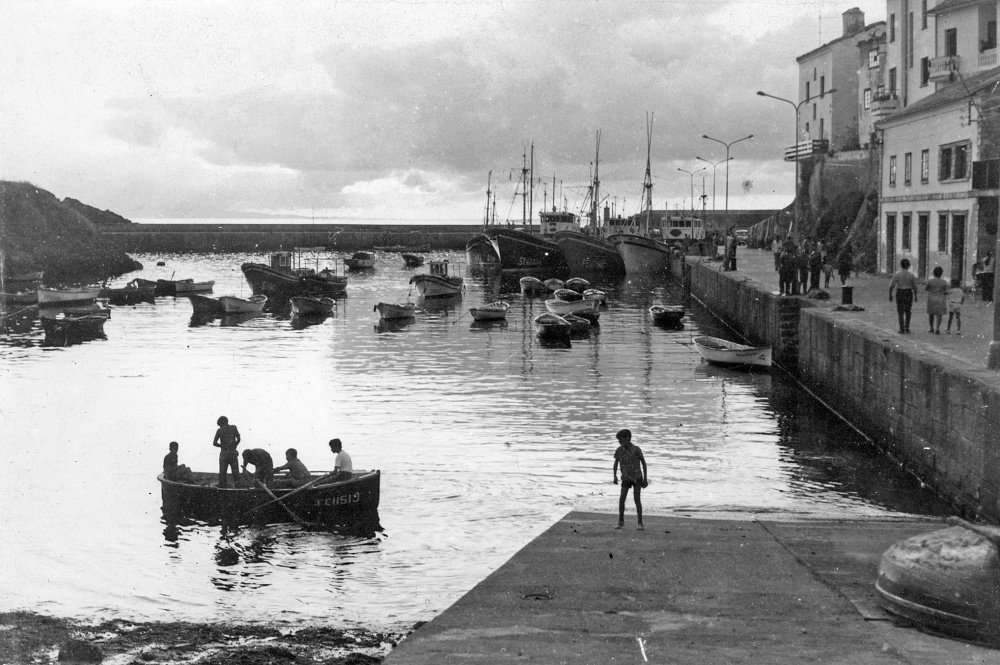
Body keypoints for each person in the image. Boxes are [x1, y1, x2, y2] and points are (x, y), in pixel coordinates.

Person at [612, 429, 647, 530]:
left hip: (637, 477)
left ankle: (640, 523)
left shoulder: (636, 449)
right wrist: (614, 476)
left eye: (621, 440)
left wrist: (645, 479)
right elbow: (616, 463)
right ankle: (621, 521)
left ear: (628, 438)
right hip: (626, 477)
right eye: (619, 441)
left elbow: (644, 463)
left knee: (637, 499)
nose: (620, 442)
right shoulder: (619, 450)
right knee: (622, 499)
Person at [889, 258, 918, 334]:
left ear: (901, 265)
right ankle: (907, 327)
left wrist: (890, 294)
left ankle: (902, 329)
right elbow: (915, 287)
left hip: (900, 292)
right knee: (908, 311)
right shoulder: (911, 275)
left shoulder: (897, 274)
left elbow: (892, 285)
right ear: (908, 265)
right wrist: (916, 296)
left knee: (900, 311)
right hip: (908, 292)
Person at [212, 415, 241, 488]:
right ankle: (238, 486)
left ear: (221, 423)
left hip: (224, 453)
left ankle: (222, 487)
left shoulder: (219, 430)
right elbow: (238, 438)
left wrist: (222, 446)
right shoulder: (234, 427)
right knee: (235, 471)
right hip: (232, 453)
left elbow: (214, 443)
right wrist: (235, 445)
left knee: (222, 473)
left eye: (220, 425)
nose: (220, 426)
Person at [925, 266, 949, 335]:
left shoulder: (930, 281)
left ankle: (931, 328)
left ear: (934, 273)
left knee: (931, 314)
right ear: (941, 273)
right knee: (939, 315)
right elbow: (946, 291)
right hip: (940, 299)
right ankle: (937, 328)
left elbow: (926, 288)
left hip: (931, 298)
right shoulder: (944, 282)